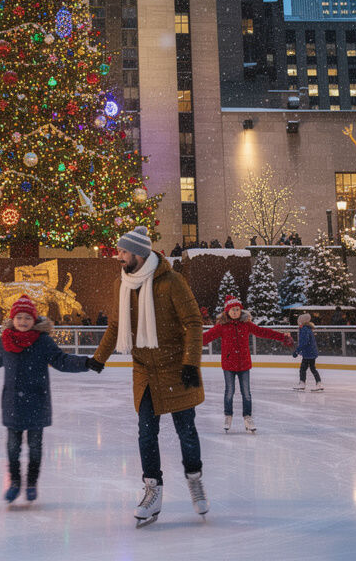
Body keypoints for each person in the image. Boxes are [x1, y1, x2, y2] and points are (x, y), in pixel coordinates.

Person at [87, 226, 206, 528]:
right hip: (144, 371)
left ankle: (194, 480)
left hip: (176, 367)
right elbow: (116, 326)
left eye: (123, 252)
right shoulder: (121, 283)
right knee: (146, 433)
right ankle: (152, 490)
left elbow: (193, 323)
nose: (119, 256)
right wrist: (98, 359)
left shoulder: (172, 281)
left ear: (139, 254)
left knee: (186, 432)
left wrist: (190, 363)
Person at [0, 295, 91, 503]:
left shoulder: (43, 342)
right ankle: (15, 482)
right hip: (13, 403)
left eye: (27, 318)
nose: (23, 321)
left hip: (37, 402)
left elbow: (61, 360)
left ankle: (31, 482)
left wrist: (86, 363)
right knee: (13, 447)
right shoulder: (5, 341)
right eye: (19, 317)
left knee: (35, 447)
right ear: (12, 319)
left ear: (34, 320)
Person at [202, 295, 293, 433]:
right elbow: (206, 337)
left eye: (237, 309)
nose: (235, 312)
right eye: (232, 310)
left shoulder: (246, 324)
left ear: (241, 311)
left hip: (244, 364)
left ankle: (247, 417)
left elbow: (263, 332)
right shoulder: (222, 326)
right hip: (228, 365)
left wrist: (282, 337)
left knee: (246, 393)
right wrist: (189, 340)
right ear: (227, 311)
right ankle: (228, 416)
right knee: (229, 392)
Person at [291, 313, 323, 391]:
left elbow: (304, 342)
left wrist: (297, 351)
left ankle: (303, 383)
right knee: (312, 368)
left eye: (299, 321)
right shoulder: (307, 329)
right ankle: (318, 383)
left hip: (308, 353)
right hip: (310, 352)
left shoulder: (305, 329)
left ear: (302, 322)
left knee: (303, 369)